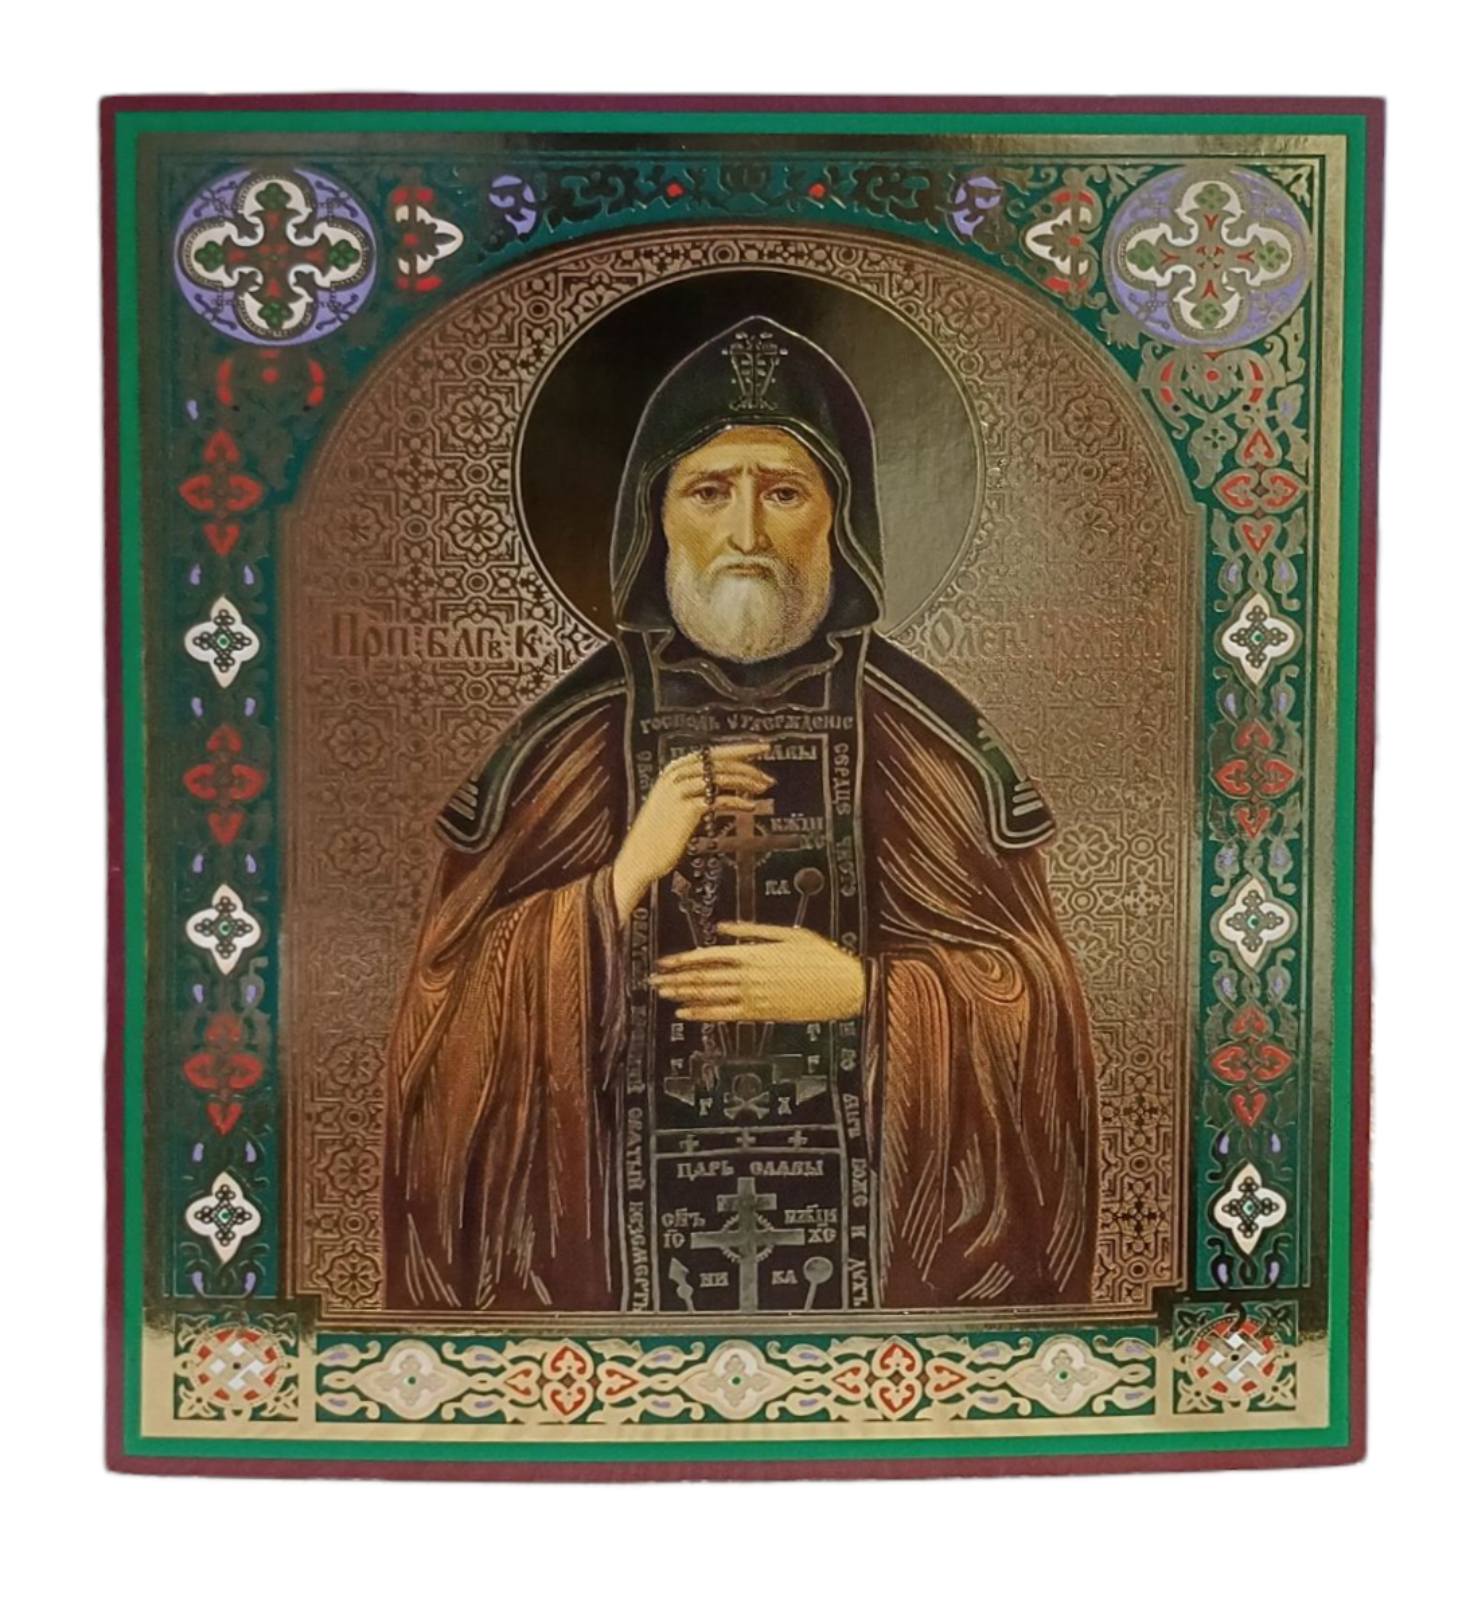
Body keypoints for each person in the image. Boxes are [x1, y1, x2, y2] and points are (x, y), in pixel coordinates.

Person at [384, 316, 1097, 1313]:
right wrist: (619, 881)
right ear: (657, 517)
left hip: (880, 1310)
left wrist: (866, 992)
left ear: (840, 519)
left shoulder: (929, 740)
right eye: (710, 491)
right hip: (608, 1298)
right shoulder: (564, 740)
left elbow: (1038, 1010)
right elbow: (440, 1025)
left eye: (785, 492)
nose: (748, 534)